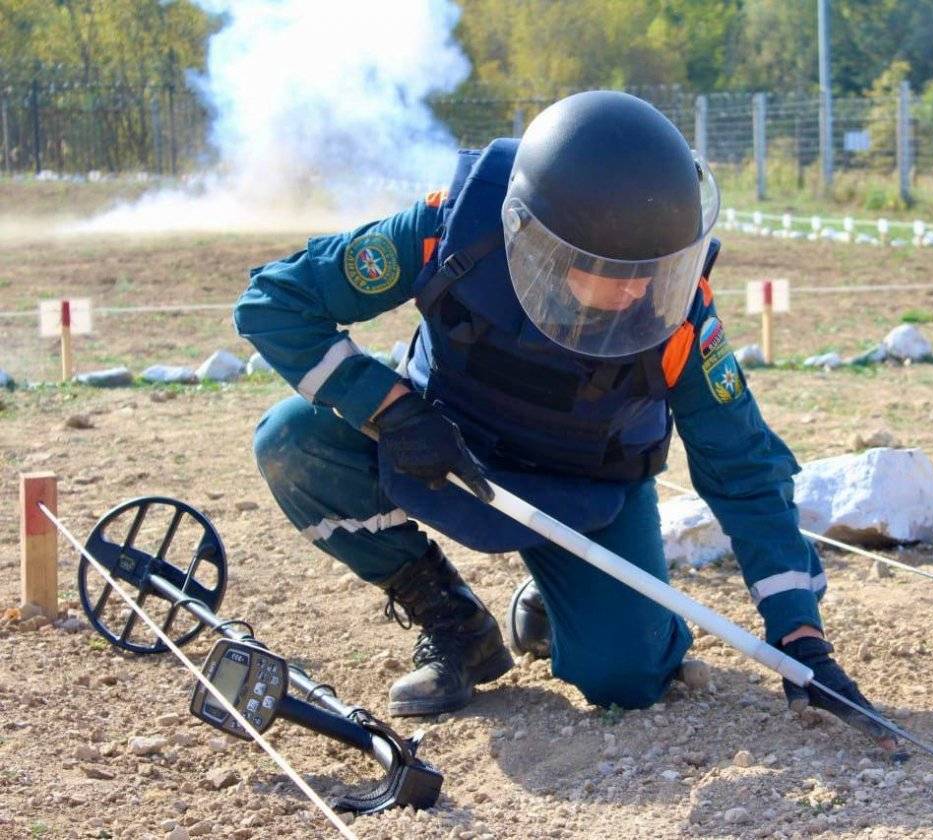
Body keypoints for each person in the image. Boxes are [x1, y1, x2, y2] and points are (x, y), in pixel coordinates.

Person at [236, 90, 894, 751]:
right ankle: (452, 620)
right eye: (615, 272)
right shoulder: (452, 232)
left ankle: (559, 602)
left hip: (587, 489)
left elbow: (745, 469)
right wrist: (392, 409)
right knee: (293, 441)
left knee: (627, 678)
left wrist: (799, 635)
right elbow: (276, 300)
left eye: (657, 270)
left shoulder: (680, 316)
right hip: (444, 447)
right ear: (535, 241)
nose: (640, 292)